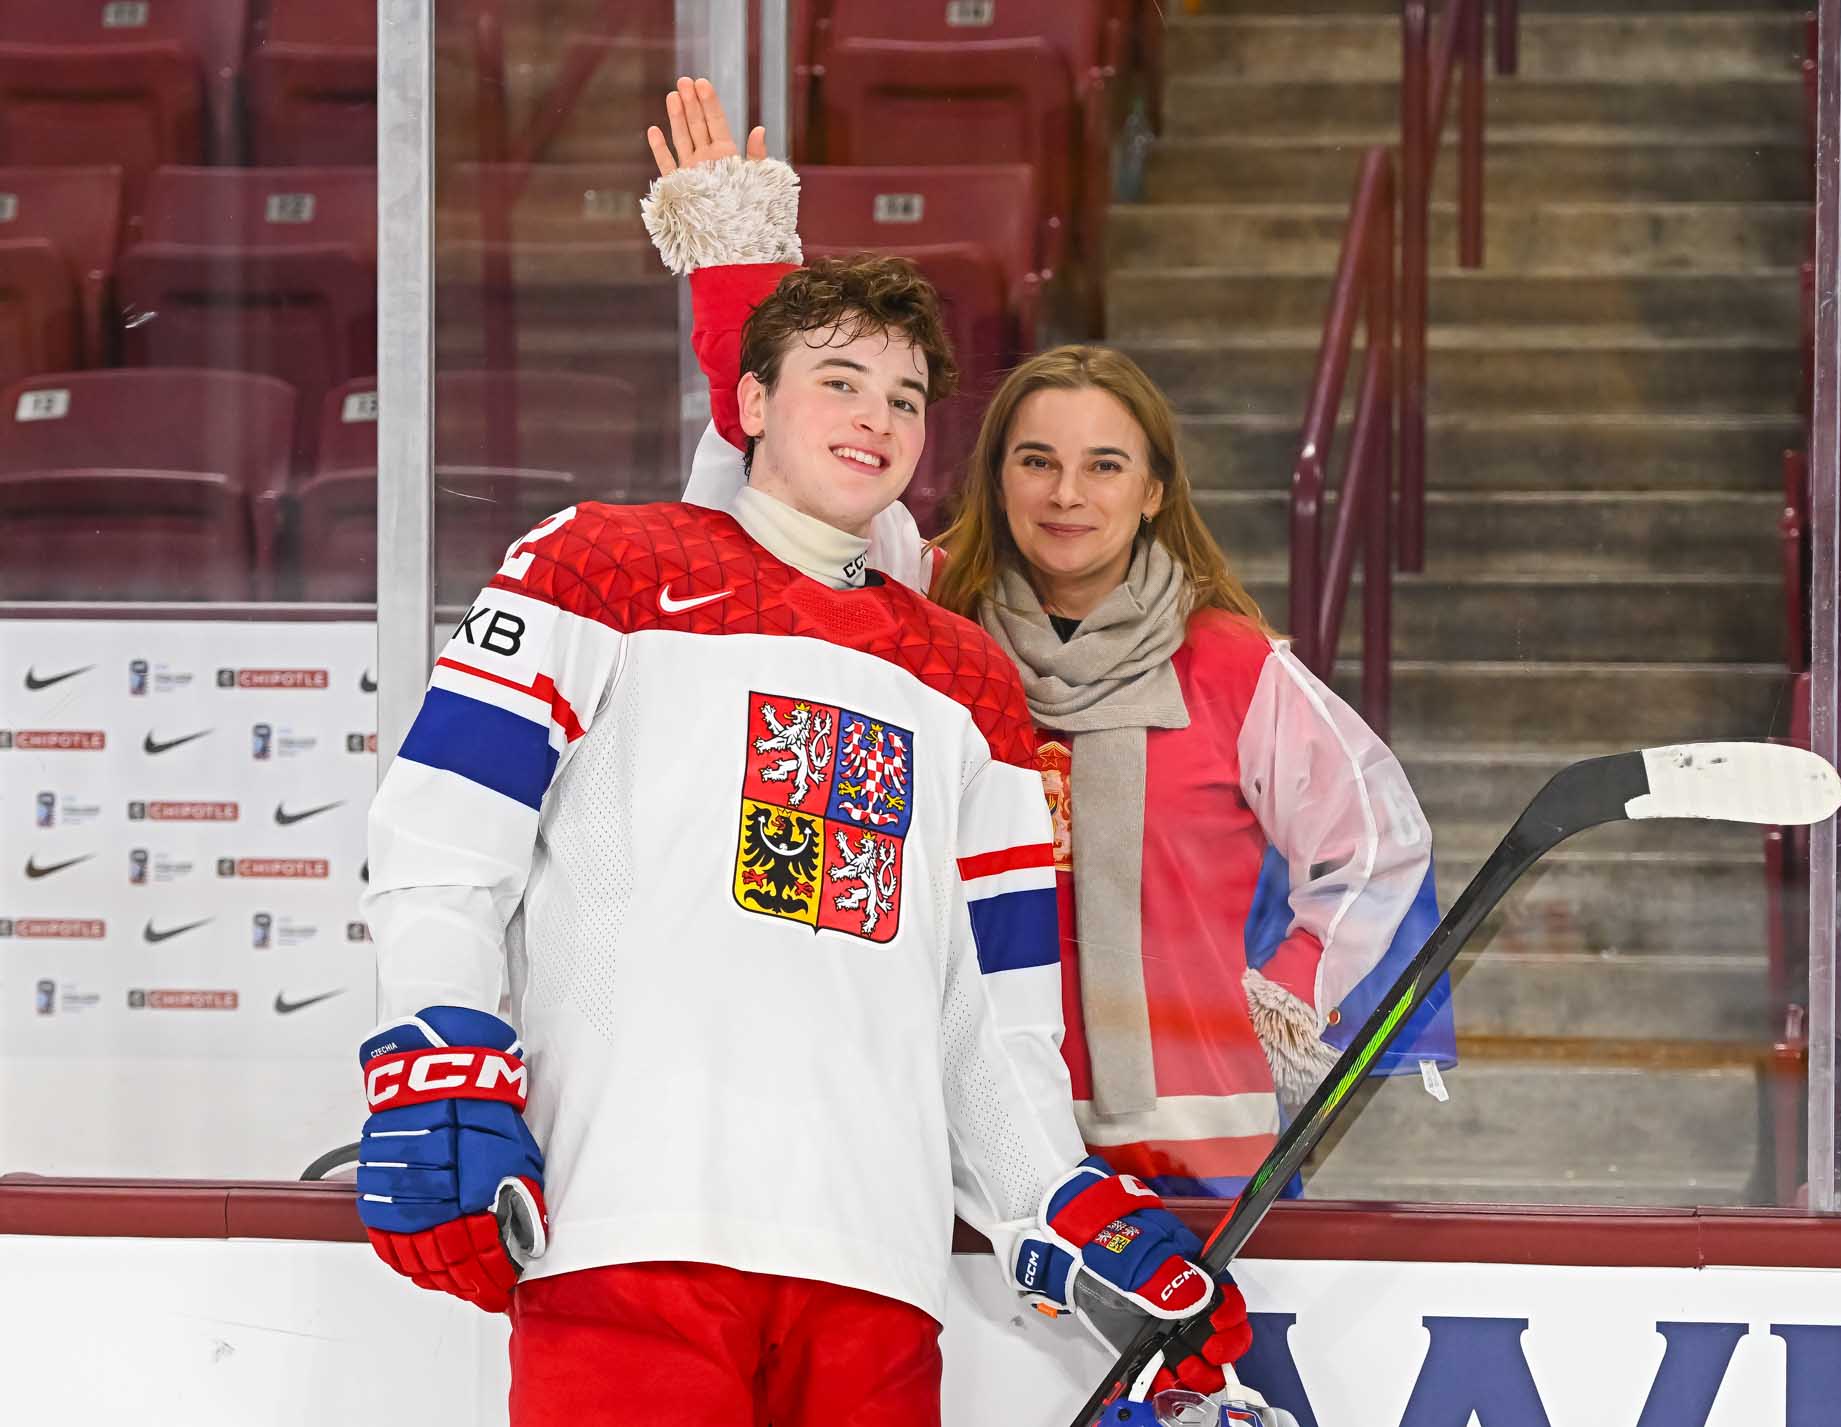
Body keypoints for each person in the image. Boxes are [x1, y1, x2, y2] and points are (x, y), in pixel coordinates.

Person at [353, 78, 1251, 1427]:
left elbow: (991, 1015)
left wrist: (1056, 1205)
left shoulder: (968, 684)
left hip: (873, 1266)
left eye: (905, 397)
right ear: (751, 401)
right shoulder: (601, 567)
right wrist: (439, 1042)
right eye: (838, 381)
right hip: (629, 1222)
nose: (876, 416)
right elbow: (442, 834)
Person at [656, 88, 1457, 1202]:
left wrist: (1286, 992)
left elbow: (1378, 844)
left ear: (1154, 489)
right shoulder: (920, 615)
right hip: (964, 1154)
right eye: (1035, 461)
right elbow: (788, 495)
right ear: (993, 477)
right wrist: (743, 275)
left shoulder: (1233, 665)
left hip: (1198, 1162)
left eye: (1104, 466)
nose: (1067, 493)